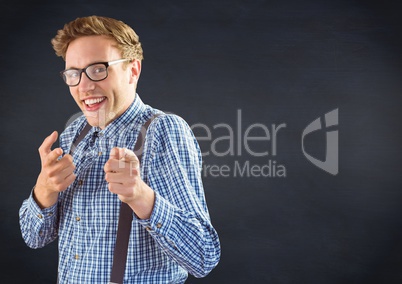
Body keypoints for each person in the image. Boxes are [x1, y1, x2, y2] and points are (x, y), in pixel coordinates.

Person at [19, 15, 220, 283]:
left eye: (99, 69)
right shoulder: (74, 134)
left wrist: (141, 197)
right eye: (74, 74)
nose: (84, 86)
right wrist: (44, 189)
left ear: (133, 70)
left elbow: (203, 256)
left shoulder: (163, 131)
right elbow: (34, 238)